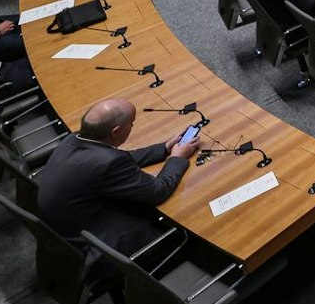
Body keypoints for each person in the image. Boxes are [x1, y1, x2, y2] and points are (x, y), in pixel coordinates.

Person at [38, 97, 199, 265]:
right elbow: (158, 191)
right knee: (176, 222)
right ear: (115, 132)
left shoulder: (74, 139)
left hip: (67, 228)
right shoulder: (108, 163)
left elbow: (122, 158)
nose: (132, 127)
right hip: (99, 243)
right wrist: (176, 158)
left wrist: (165, 148)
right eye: (131, 123)